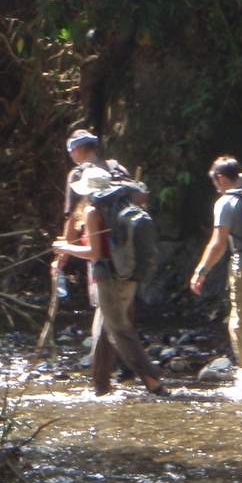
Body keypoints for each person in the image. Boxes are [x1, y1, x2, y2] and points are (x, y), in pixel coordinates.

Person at [51, 165, 166, 397]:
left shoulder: (94, 211)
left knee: (119, 331)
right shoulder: (124, 205)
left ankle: (153, 382)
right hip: (128, 276)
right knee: (105, 331)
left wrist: (65, 247)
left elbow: (95, 253)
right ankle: (101, 387)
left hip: (109, 279)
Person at [189, 156, 242, 388]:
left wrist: (201, 271)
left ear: (220, 178)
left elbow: (218, 243)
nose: (215, 186)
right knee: (240, 322)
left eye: (215, 181)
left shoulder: (225, 202)